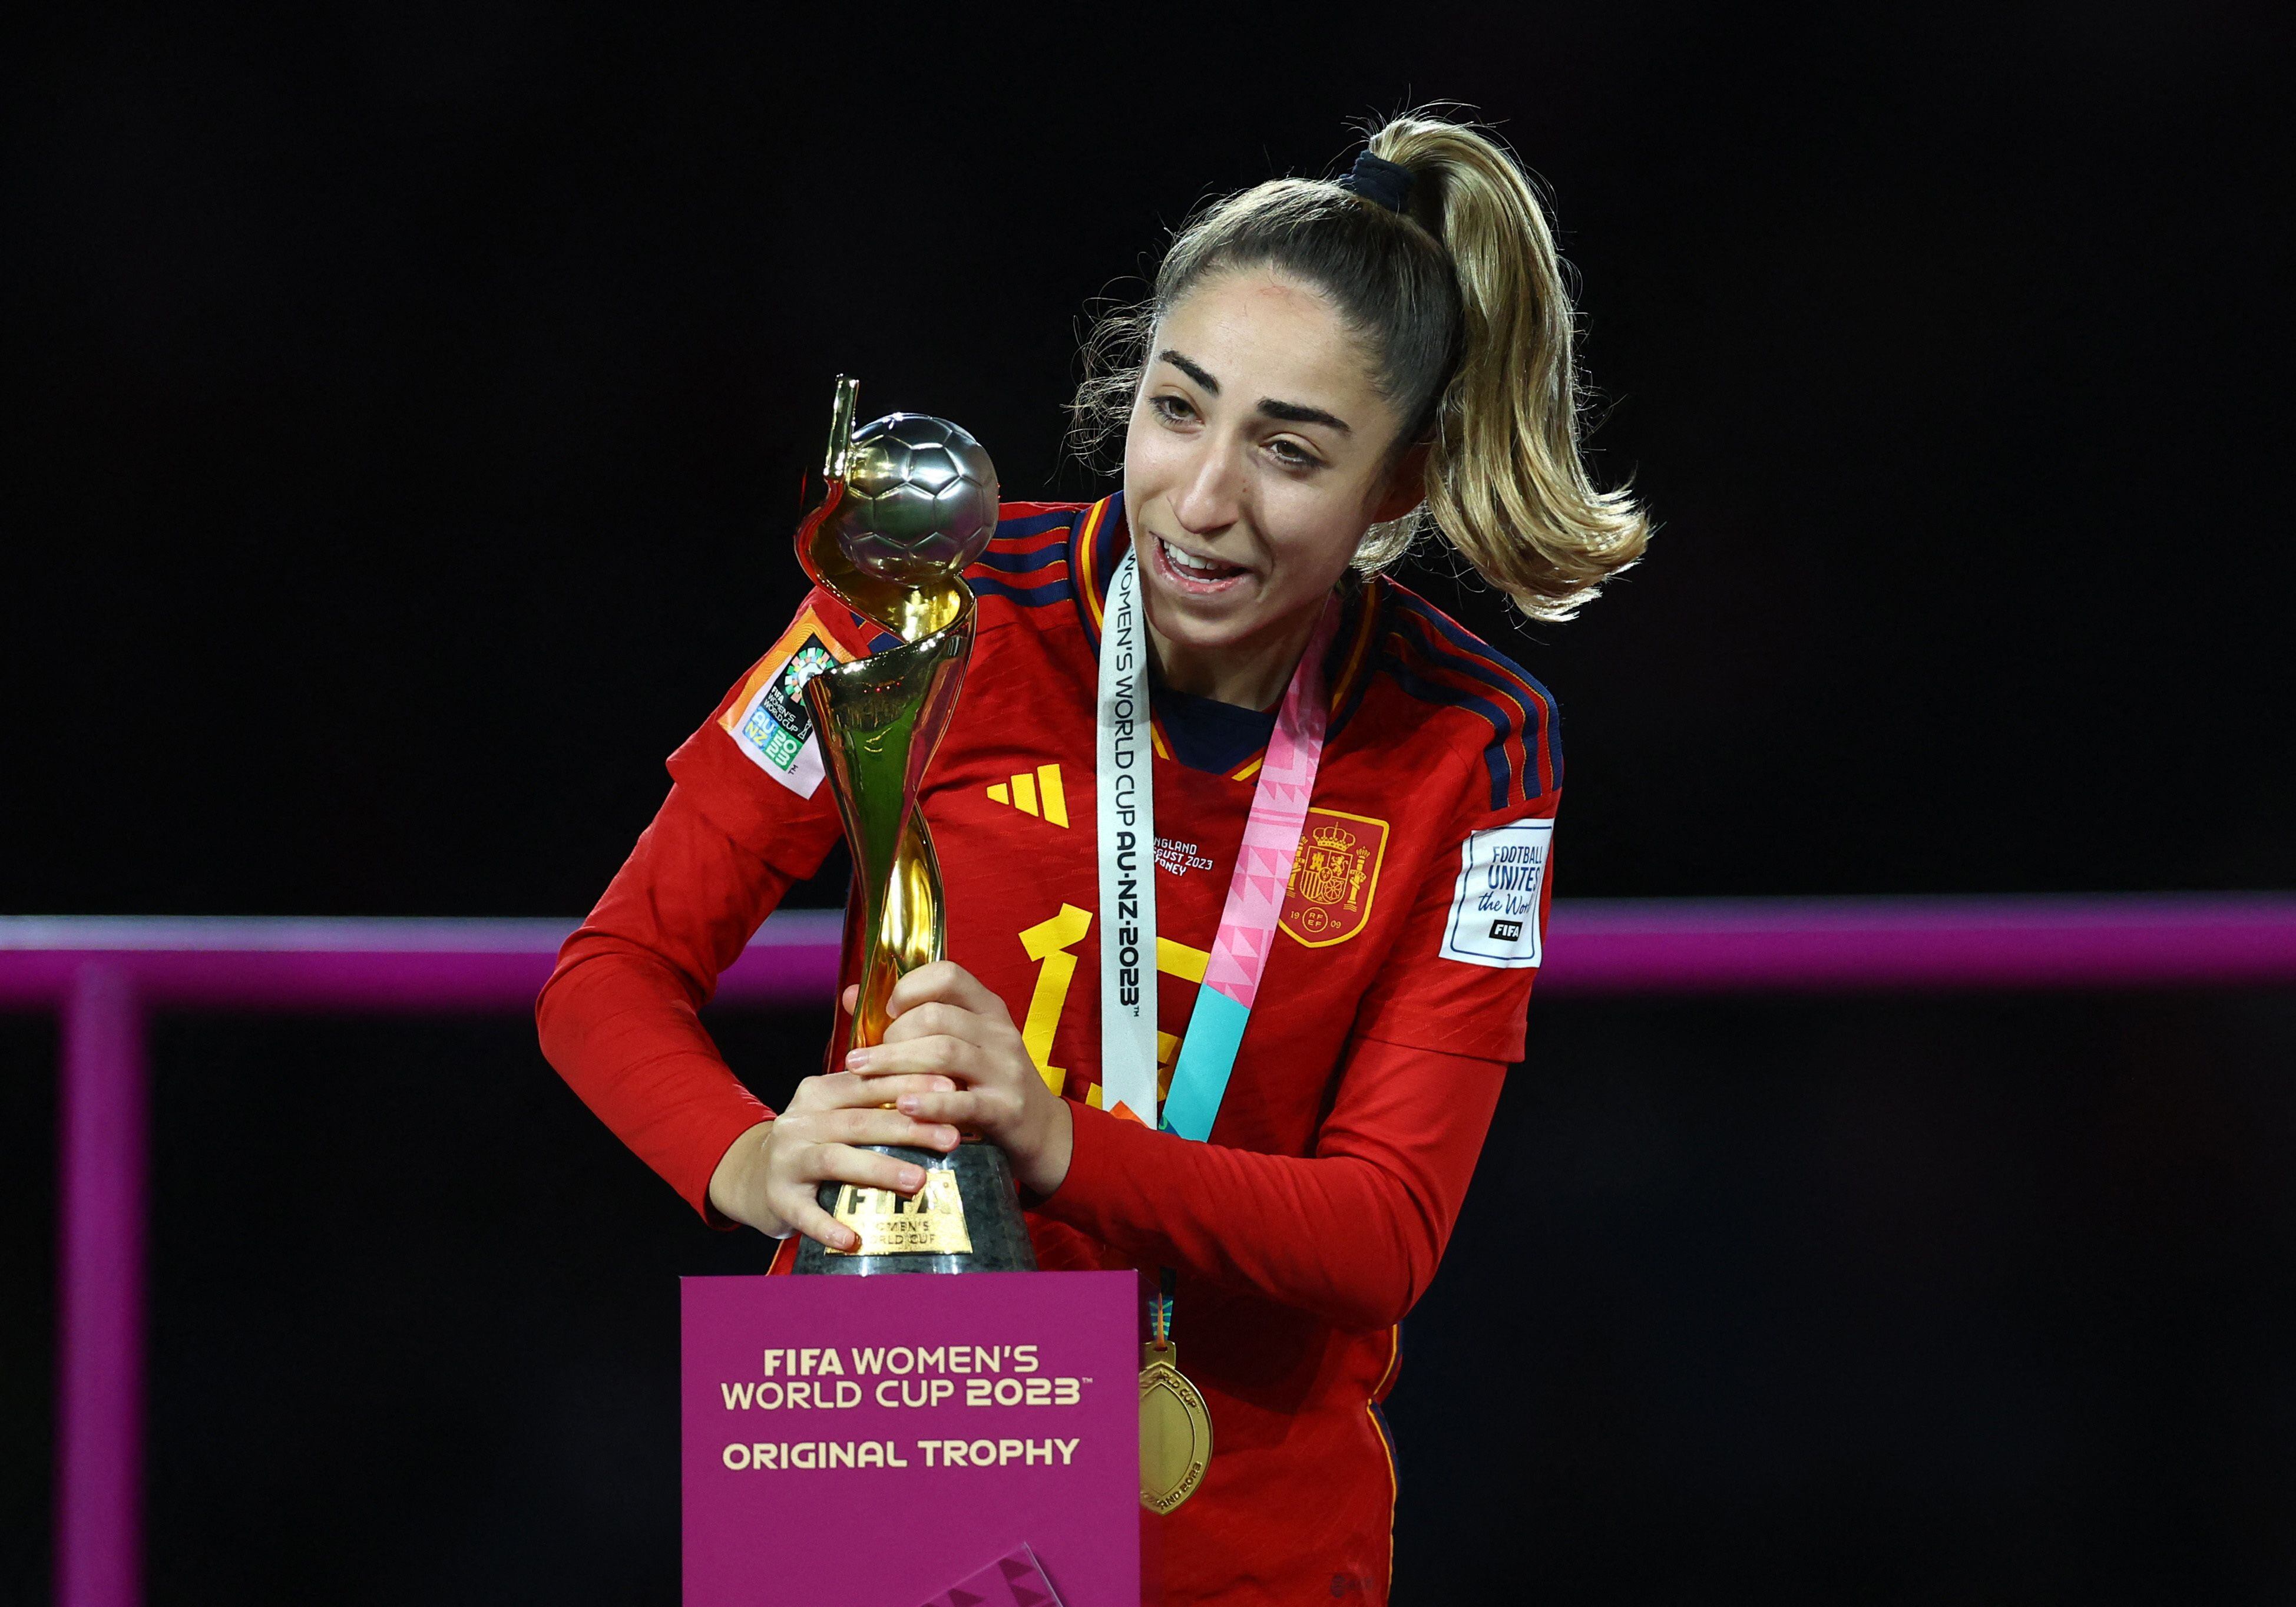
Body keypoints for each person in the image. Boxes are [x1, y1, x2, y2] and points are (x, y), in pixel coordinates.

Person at [538, 110, 1647, 1605]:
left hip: (1243, 1511)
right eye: (1178, 410)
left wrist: (1057, 1141)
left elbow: (1385, 1232)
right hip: (893, 1420)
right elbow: (610, 972)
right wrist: (743, 1156)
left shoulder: (1477, 739)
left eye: (1290, 451)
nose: (1202, 500)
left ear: (1399, 487)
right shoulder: (929, 606)